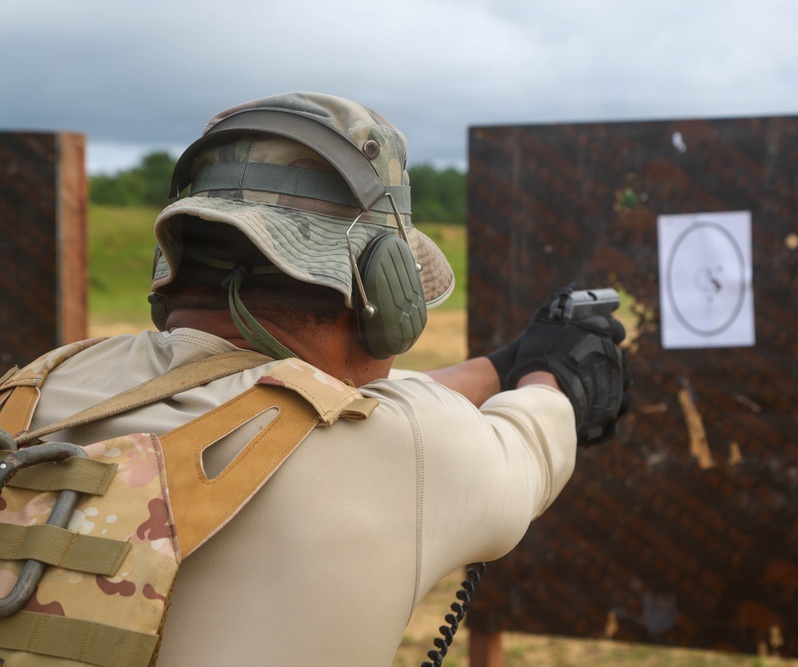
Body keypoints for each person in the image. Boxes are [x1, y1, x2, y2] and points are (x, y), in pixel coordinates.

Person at [1, 92, 629, 666]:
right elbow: (529, 445)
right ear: (386, 292)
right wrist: (555, 371)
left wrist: (499, 365)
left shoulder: (39, 385)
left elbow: (314, 404)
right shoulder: (411, 450)